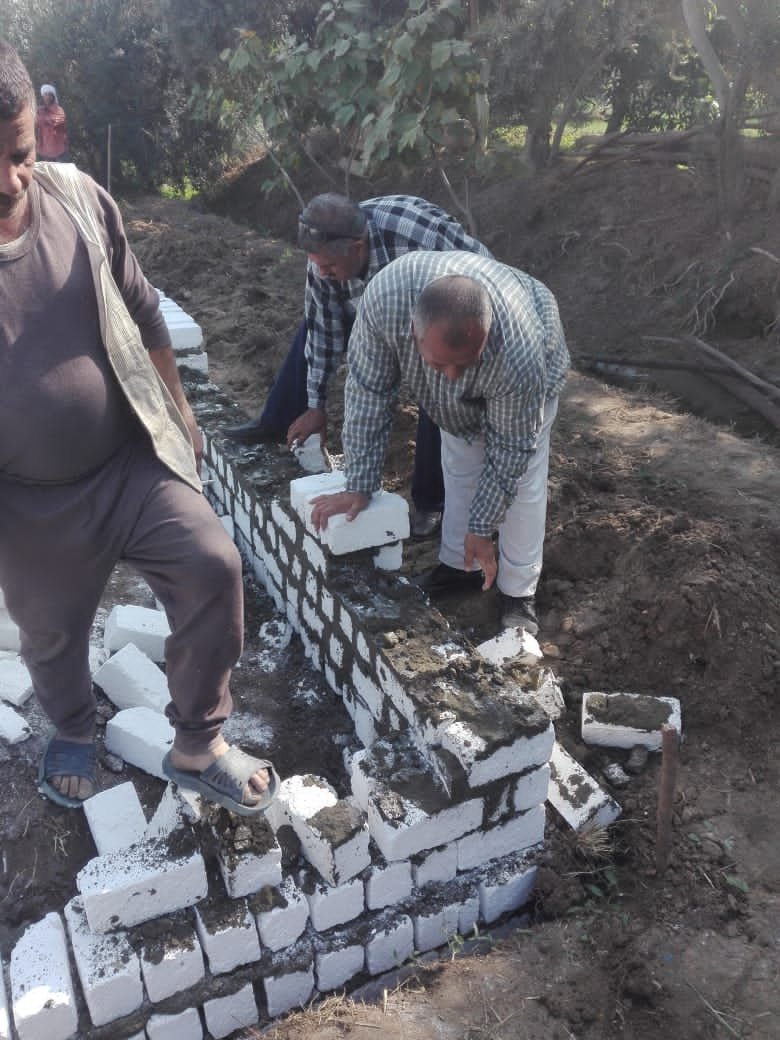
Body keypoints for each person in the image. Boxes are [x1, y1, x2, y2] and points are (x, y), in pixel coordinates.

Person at [0, 40, 277, 815]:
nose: (10, 182)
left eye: (19, 155)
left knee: (213, 568)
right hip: (30, 501)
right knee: (51, 636)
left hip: (129, 461)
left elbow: (145, 307)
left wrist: (179, 411)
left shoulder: (79, 201)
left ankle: (198, 742)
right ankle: (74, 727)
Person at [309, 251, 570, 634]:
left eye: (464, 365)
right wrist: (359, 484)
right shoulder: (384, 306)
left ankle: (518, 591)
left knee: (524, 484)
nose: (452, 379)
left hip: (531, 362)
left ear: (485, 338)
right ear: (412, 332)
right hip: (438, 332)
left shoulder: (518, 354)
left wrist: (483, 526)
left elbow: (512, 449)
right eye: (438, 365)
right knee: (461, 459)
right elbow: (368, 394)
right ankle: (459, 568)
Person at [223, 192, 494, 539]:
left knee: (438, 387)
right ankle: (278, 421)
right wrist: (316, 404)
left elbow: (486, 273)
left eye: (330, 268)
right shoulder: (325, 261)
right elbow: (323, 331)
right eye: (317, 265)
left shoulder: (419, 238)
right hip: (376, 304)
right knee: (311, 327)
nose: (322, 273)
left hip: (439, 310)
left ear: (357, 247)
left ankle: (431, 502)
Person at [35, 82, 67, 161]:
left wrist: (43, 119)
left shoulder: (59, 110)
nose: (46, 97)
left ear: (53, 96)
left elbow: (55, 121)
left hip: (58, 150)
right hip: (44, 151)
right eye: (44, 95)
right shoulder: (40, 110)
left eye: (48, 94)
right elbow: (35, 121)